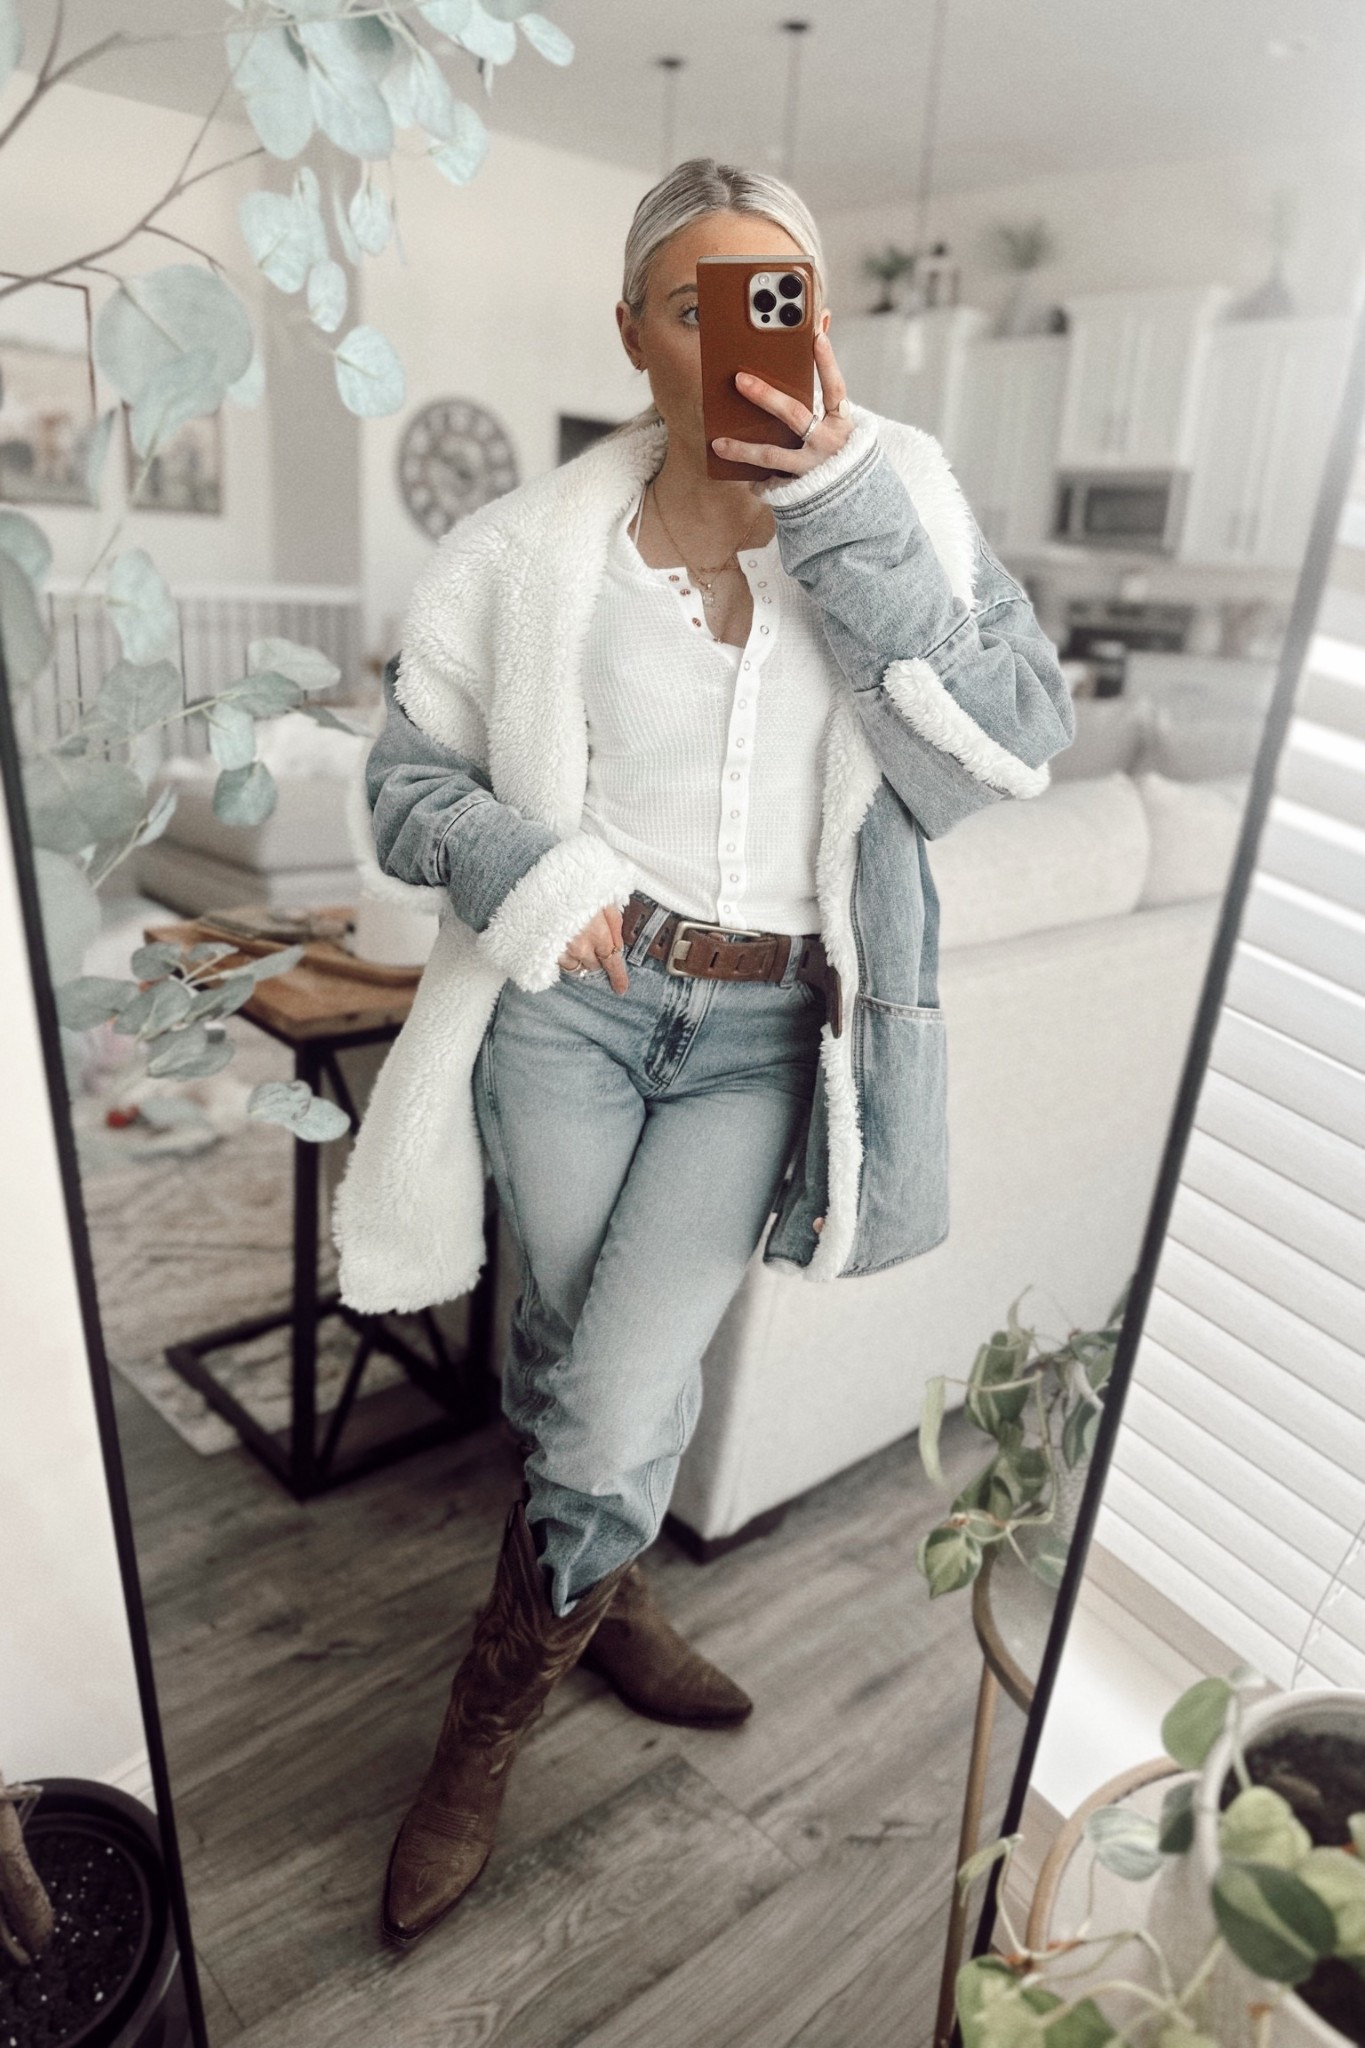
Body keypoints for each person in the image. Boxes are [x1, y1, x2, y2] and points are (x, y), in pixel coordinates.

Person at [335, 158, 1076, 1949]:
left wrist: (837, 509)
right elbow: (405, 785)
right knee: (569, 1356)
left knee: (606, 1389)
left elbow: (1003, 750)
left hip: (760, 1038)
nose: (741, 335)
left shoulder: (899, 497)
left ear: (817, 317)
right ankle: (624, 1596)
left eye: (776, 297)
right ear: (633, 334)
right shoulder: (528, 551)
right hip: (570, 1010)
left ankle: (477, 1735)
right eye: (695, 303)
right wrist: (529, 871)